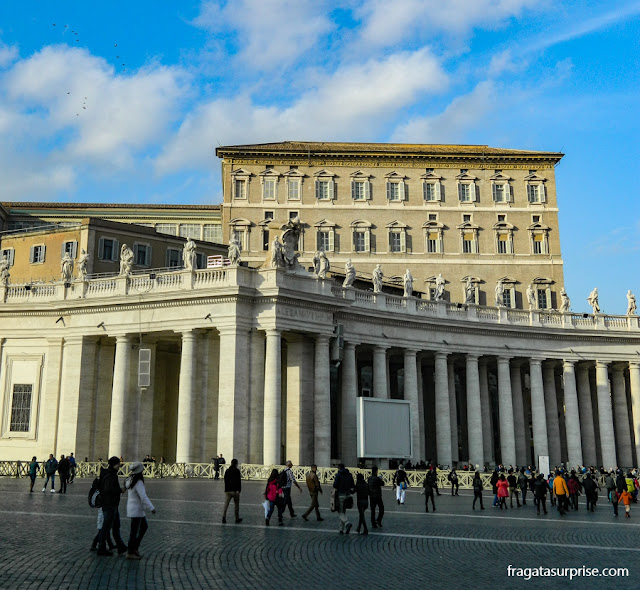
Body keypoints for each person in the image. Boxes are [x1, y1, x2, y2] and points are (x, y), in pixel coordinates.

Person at [125, 461, 156, 559]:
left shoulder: (129, 479)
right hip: (136, 510)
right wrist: (151, 507)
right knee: (135, 531)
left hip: (134, 509)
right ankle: (130, 551)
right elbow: (143, 496)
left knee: (142, 527)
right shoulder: (138, 482)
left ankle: (134, 548)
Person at [97, 456, 128, 556]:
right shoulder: (110, 475)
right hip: (109, 504)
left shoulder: (110, 473)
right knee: (106, 527)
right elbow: (108, 489)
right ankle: (101, 548)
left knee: (116, 526)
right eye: (118, 464)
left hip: (112, 504)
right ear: (115, 464)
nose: (120, 466)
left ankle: (120, 546)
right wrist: (120, 490)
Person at [333, 463, 355, 534]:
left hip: (341, 495)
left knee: (340, 512)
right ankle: (341, 529)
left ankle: (347, 523)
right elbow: (352, 485)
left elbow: (335, 485)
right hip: (348, 495)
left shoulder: (338, 475)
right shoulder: (350, 475)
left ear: (339, 468)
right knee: (343, 511)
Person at [222, 458, 242, 524]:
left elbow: (225, 480)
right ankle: (237, 518)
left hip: (228, 490)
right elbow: (239, 481)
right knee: (236, 505)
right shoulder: (237, 471)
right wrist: (239, 490)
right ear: (236, 464)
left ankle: (224, 516)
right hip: (235, 491)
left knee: (226, 504)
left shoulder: (227, 470)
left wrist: (226, 488)